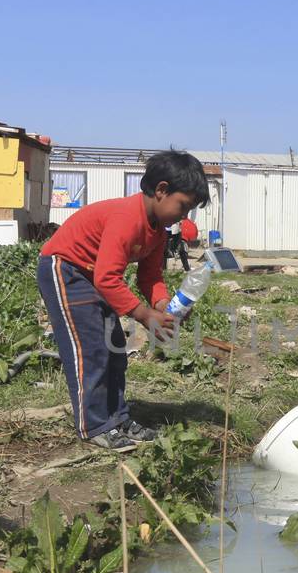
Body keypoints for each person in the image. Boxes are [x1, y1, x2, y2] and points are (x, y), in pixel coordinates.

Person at [39, 150, 209, 451]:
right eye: (183, 207)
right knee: (90, 350)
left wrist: (161, 305)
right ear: (161, 190)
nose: (184, 216)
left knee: (114, 349)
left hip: (92, 277)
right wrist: (143, 314)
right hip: (65, 269)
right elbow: (107, 277)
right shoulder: (127, 218)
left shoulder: (157, 230)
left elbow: (149, 277)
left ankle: (117, 418)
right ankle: (93, 426)